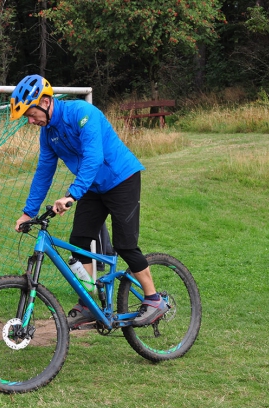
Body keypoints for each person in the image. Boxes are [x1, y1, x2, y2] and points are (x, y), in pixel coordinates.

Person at [10, 74, 168, 329]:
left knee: (125, 245)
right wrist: (29, 212)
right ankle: (89, 303)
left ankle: (154, 299)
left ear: (47, 102)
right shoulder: (48, 133)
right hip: (93, 187)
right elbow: (44, 171)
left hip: (121, 179)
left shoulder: (82, 113)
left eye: (31, 113)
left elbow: (94, 157)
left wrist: (72, 195)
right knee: (79, 241)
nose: (30, 121)